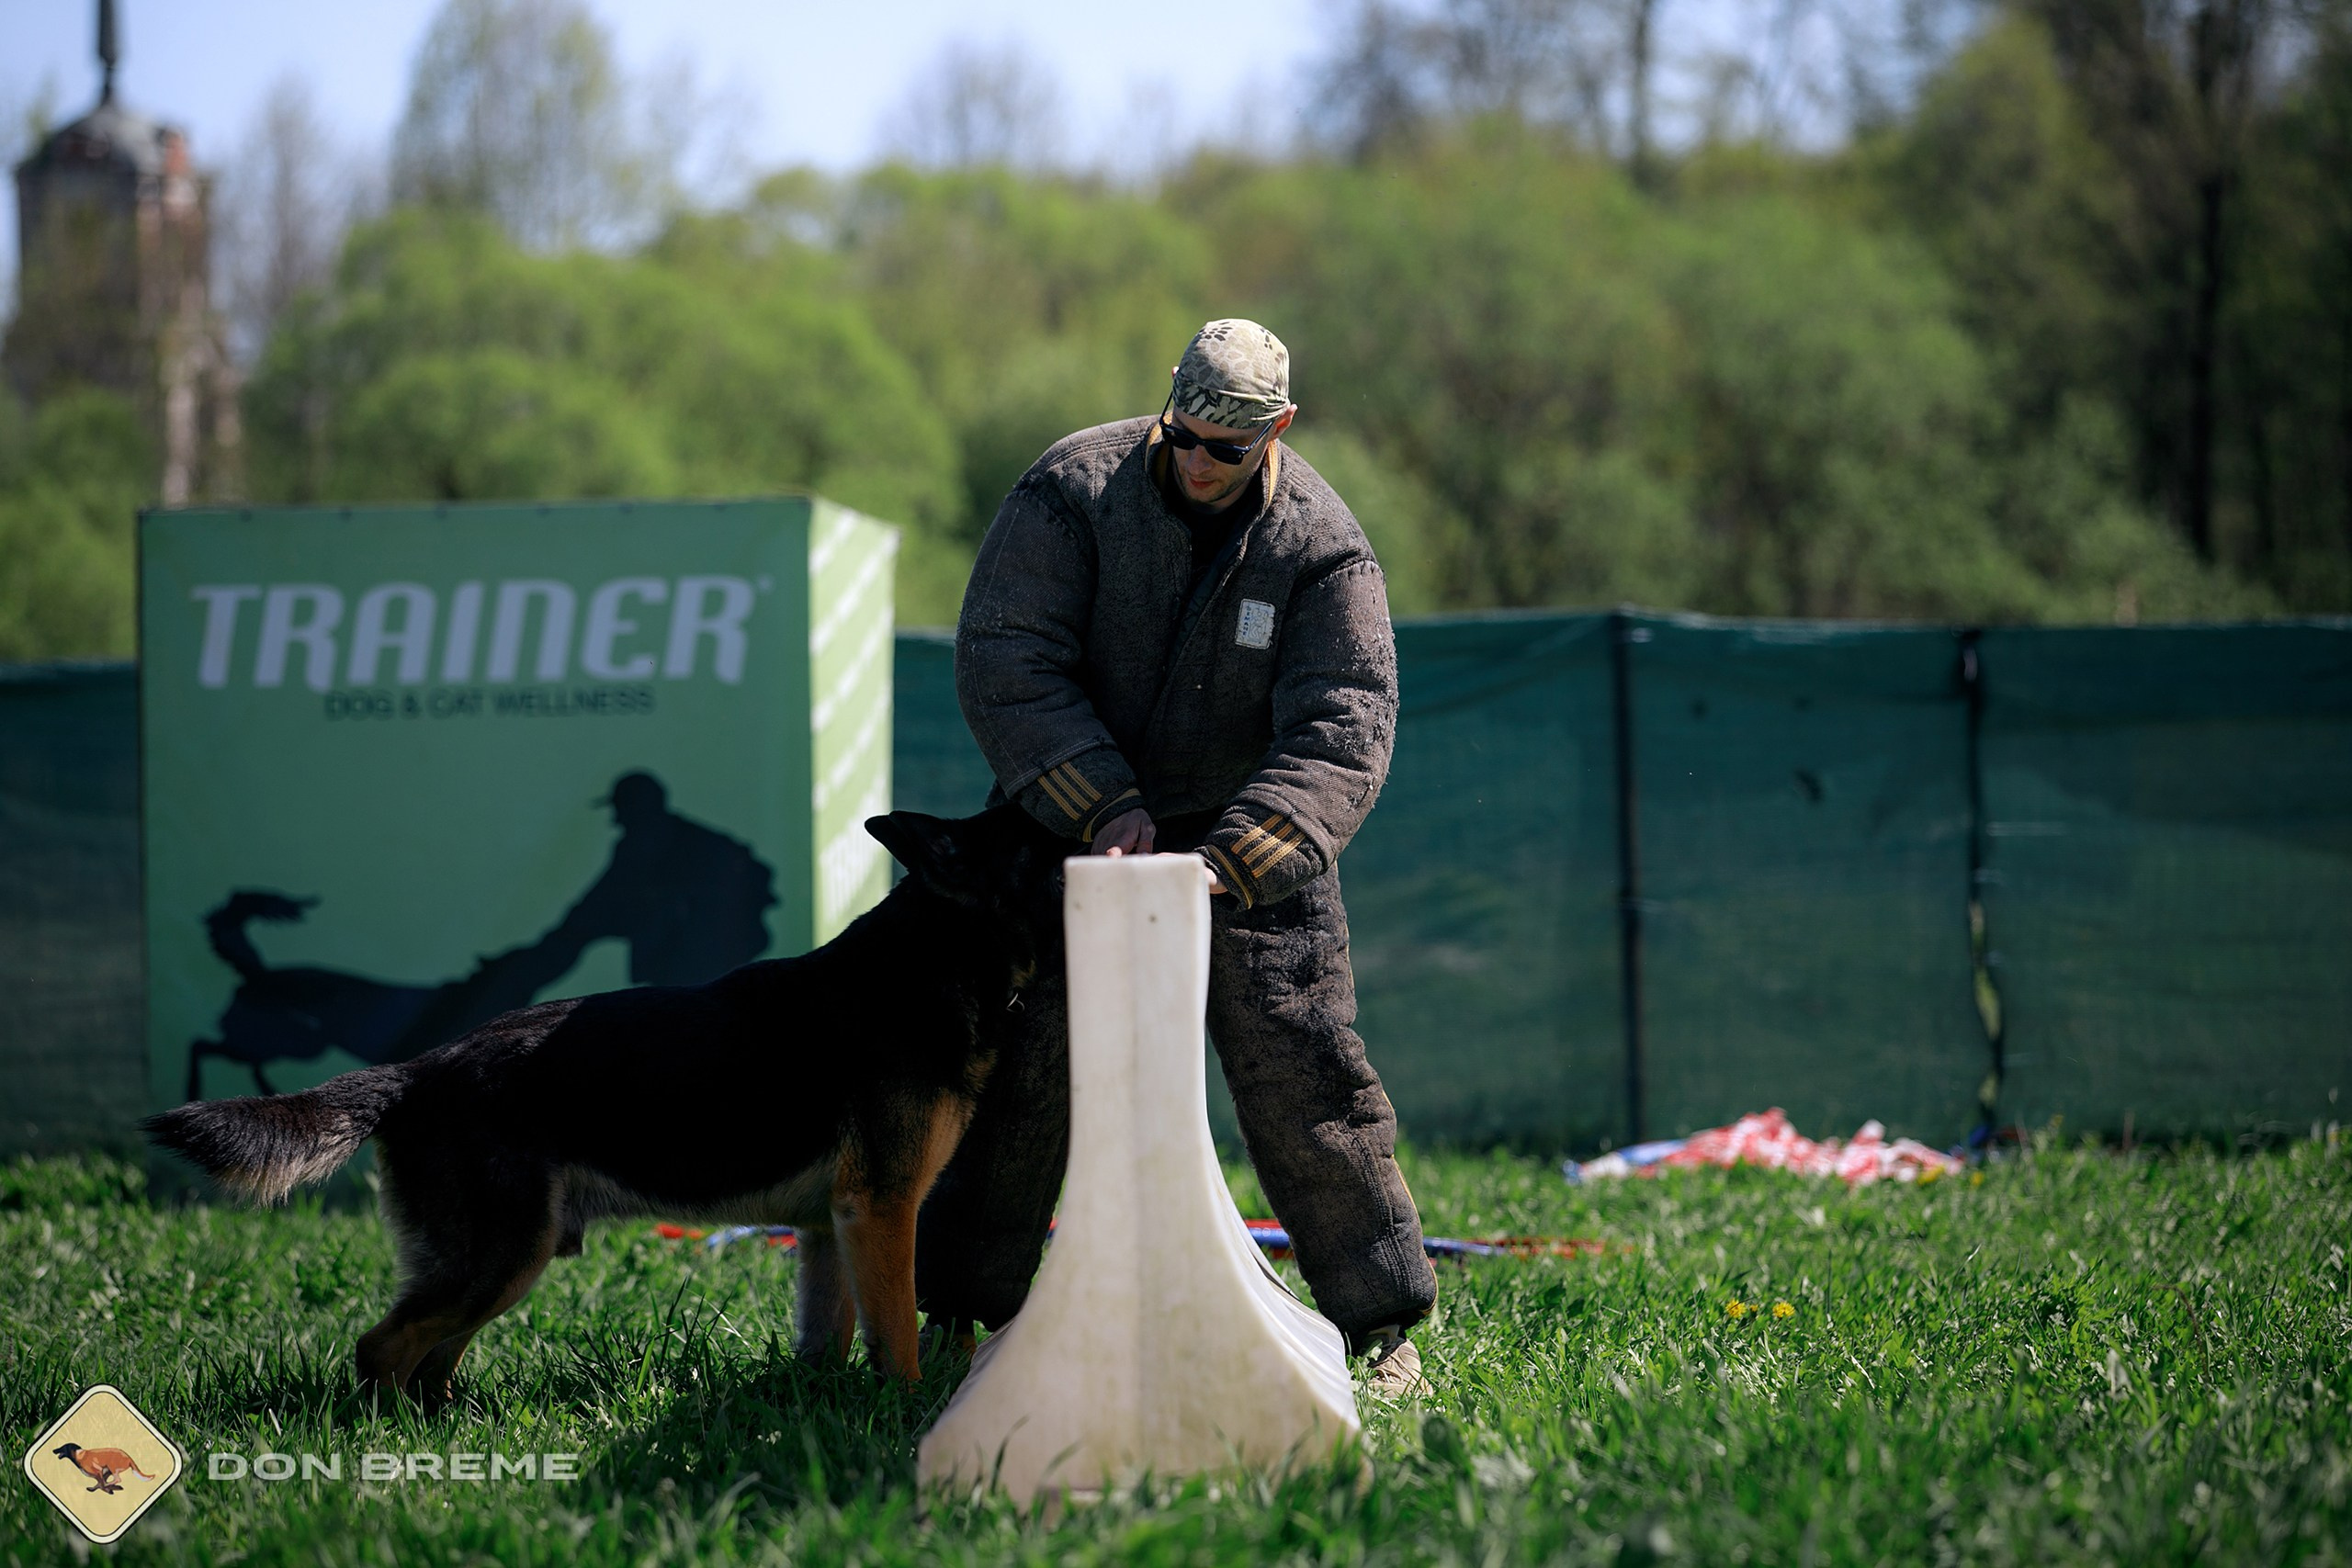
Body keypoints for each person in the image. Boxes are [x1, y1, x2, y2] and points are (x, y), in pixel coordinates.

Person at [921, 318, 1438, 1395]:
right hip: (1064, 826)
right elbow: (1006, 658)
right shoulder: (1070, 491)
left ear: (1278, 430)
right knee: (1021, 1064)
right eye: (1184, 435)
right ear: (1169, 399)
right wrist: (1101, 803)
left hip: (1251, 844)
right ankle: (957, 1315)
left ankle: (1382, 1327)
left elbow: (1345, 724)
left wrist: (1235, 859)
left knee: (1307, 1070)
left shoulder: (1321, 546)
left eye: (1228, 449)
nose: (1199, 462)